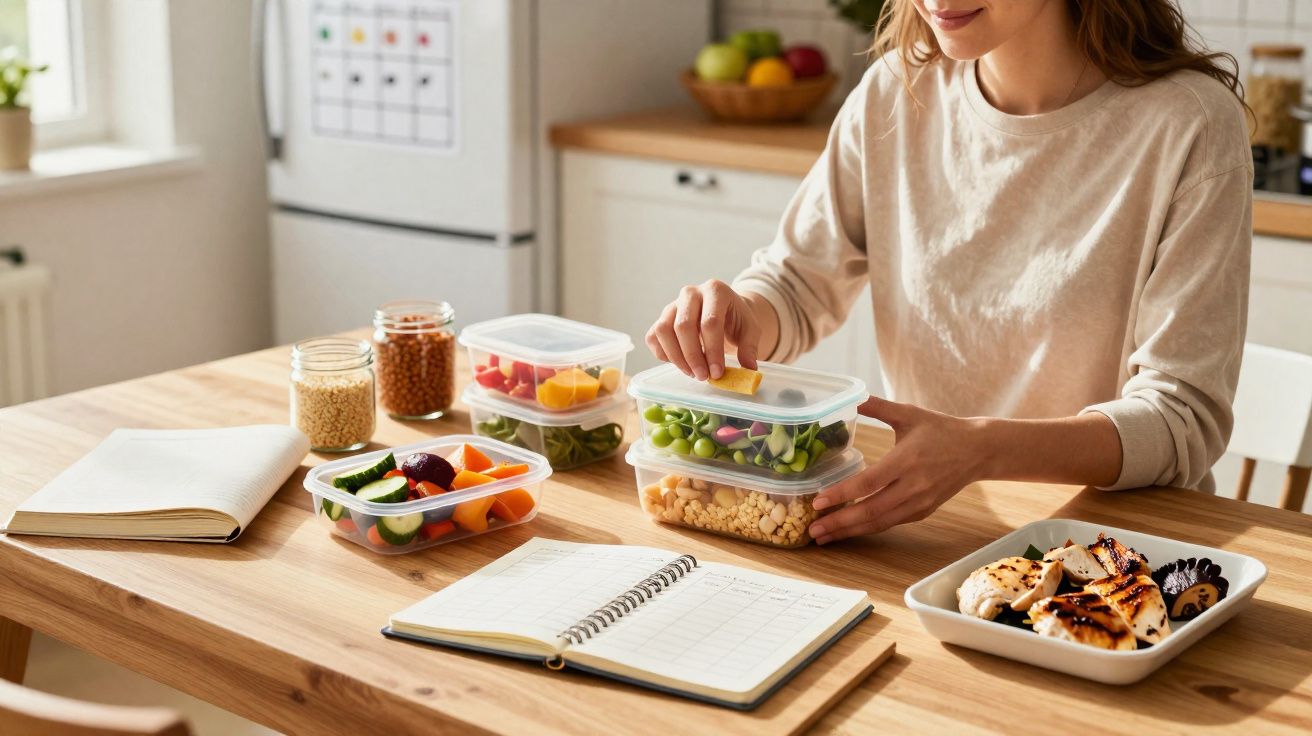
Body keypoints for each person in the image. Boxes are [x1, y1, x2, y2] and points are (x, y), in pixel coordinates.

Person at [644, 0, 1252, 544]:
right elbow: (798, 284)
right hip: (929, 531)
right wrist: (738, 315)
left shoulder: (1190, 123)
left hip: (1123, 548)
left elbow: (1181, 422)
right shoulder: (895, 91)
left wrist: (981, 450)